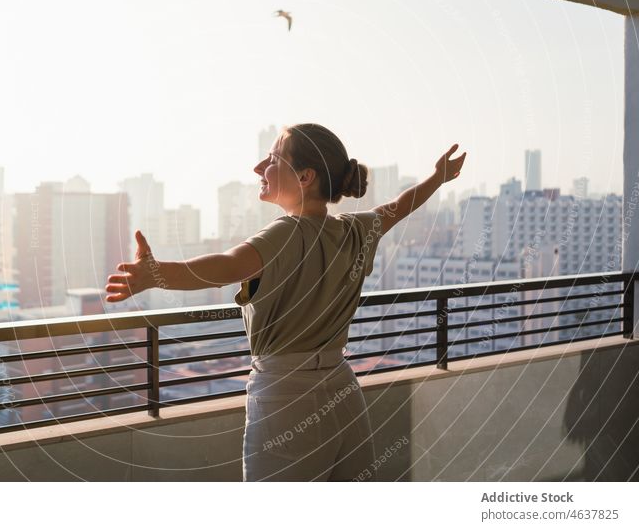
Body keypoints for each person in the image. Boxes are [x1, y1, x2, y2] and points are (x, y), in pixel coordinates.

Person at [104, 123, 466, 481]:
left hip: (285, 398)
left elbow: (227, 266)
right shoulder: (354, 230)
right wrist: (437, 178)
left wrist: (156, 274)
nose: (259, 168)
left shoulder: (285, 232)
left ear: (305, 176)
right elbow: (398, 207)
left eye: (273, 158)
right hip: (343, 390)